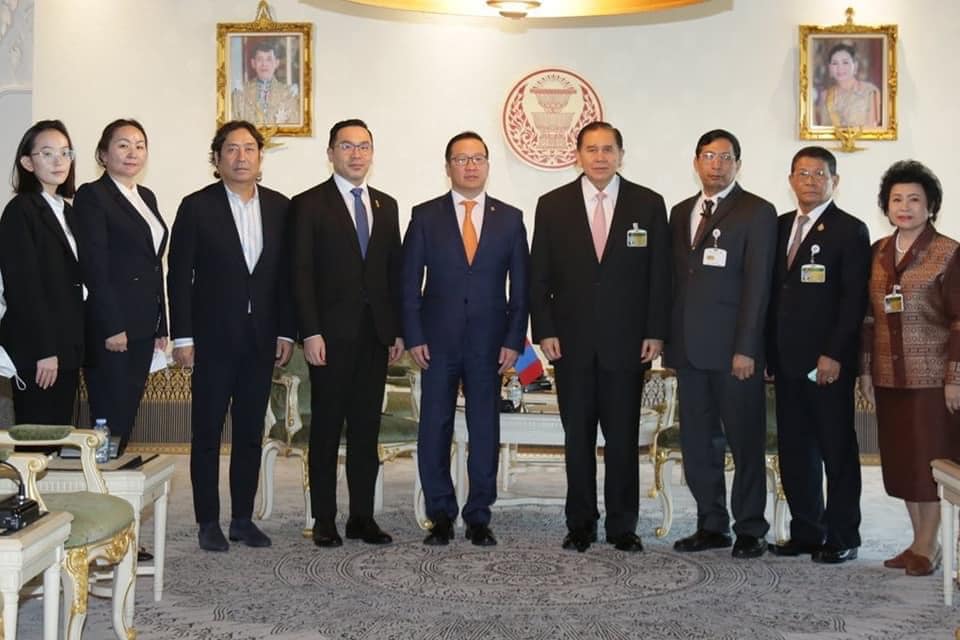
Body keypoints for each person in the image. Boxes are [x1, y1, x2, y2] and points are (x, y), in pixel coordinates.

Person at [530, 121, 671, 553]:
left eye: (608, 149)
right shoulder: (552, 205)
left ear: (621, 155)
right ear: (578, 155)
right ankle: (580, 524)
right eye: (591, 149)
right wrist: (545, 330)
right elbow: (539, 277)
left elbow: (660, 276)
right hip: (569, 344)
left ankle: (623, 526)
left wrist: (655, 332)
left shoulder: (648, 203)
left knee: (623, 439)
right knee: (578, 440)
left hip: (628, 345)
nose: (600, 157)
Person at [167, 120, 295, 552]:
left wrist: (286, 331)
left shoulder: (280, 207)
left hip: (262, 339)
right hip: (212, 339)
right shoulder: (196, 206)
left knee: (249, 433)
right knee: (206, 433)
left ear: (260, 157)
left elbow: (286, 278)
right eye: (231, 150)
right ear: (217, 158)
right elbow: (178, 276)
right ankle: (207, 521)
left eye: (249, 149)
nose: (241, 157)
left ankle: (242, 519)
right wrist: (183, 337)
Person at [403, 131, 529, 546]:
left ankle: (478, 515)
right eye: (461, 159)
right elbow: (409, 283)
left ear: (488, 165)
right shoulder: (425, 216)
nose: (470, 166)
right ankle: (440, 514)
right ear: (448, 167)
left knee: (484, 427)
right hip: (436, 341)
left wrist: (514, 340)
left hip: (490, 343)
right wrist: (414, 334)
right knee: (434, 426)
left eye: (478, 158)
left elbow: (521, 288)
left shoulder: (510, 218)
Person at [664, 129, 777, 559]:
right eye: (709, 156)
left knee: (745, 443)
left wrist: (746, 348)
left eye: (726, 157)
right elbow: (676, 282)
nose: (717, 164)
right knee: (698, 443)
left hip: (735, 354)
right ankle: (711, 524)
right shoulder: (680, 212)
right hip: (690, 351)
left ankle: (750, 528)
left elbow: (758, 286)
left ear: (738, 164)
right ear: (696, 162)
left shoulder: (757, 211)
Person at [290, 119, 403, 548]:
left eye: (364, 146)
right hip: (329, 338)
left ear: (372, 153)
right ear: (331, 154)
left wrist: (395, 331)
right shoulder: (309, 204)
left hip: (375, 336)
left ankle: (361, 517)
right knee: (326, 428)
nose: (356, 154)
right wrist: (310, 332)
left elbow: (392, 273)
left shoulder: (386, 205)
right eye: (347, 146)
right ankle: (324, 518)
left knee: (365, 429)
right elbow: (300, 274)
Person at [766, 146, 870, 564]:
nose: (810, 181)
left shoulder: (850, 229)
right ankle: (807, 531)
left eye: (819, 174)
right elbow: (772, 295)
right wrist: (767, 353)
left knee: (836, 450)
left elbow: (853, 300)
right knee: (795, 450)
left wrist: (834, 354)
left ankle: (843, 535)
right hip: (785, 361)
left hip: (827, 363)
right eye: (803, 173)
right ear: (791, 180)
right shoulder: (778, 227)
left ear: (834, 181)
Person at [860, 160, 960, 577]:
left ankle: (928, 545)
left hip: (932, 379)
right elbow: (868, 318)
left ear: (930, 206)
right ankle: (918, 540)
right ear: (886, 206)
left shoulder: (948, 252)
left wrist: (955, 378)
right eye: (897, 199)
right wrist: (866, 371)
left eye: (914, 199)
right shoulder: (878, 252)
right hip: (888, 376)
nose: (904, 207)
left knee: (929, 462)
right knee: (902, 462)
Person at [74, 119, 168, 455]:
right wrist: (111, 325)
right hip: (112, 327)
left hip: (143, 324)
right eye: (123, 145)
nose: (133, 152)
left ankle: (114, 475)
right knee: (109, 412)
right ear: (103, 154)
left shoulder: (146, 196)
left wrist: (162, 324)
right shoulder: (92, 195)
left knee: (126, 412)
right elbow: (94, 266)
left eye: (140, 146)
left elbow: (154, 264)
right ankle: (100, 478)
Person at [0, 120, 84, 425]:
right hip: (40, 350)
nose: (58, 161)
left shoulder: (68, 211)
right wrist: (44, 351)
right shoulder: (20, 210)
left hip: (67, 347)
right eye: (47, 153)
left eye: (65, 152)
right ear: (27, 163)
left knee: (59, 435)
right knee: (38, 439)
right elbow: (23, 288)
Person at [231, 39, 298, 125]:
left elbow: (295, 127)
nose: (264, 64)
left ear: (276, 63)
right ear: (253, 63)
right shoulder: (240, 93)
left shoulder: (289, 94)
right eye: (260, 59)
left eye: (269, 59)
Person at [817, 43, 881, 128]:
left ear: (855, 66)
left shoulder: (870, 91)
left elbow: (873, 128)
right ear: (830, 68)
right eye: (835, 63)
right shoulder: (825, 96)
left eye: (845, 62)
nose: (840, 68)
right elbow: (823, 129)